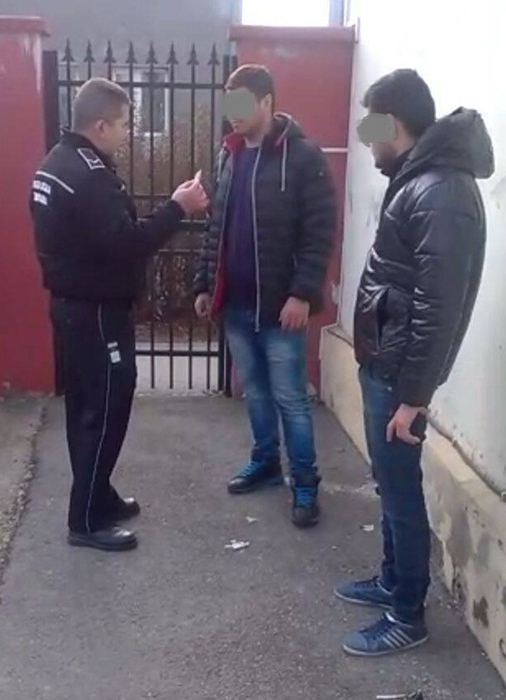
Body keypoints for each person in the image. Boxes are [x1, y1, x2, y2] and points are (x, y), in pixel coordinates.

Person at [334, 69, 494, 656]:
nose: (366, 140)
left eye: (371, 127)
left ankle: (407, 614)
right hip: (388, 365)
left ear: (393, 124)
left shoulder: (441, 192)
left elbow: (438, 307)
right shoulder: (419, 180)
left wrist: (414, 397)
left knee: (401, 493)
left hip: (400, 378)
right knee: (390, 484)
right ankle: (390, 580)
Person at [30, 78, 208, 552]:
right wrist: (178, 207)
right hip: (95, 310)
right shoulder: (88, 175)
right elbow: (128, 242)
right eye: (125, 124)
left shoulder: (55, 162)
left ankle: (99, 494)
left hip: (73, 306)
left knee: (84, 408)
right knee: (106, 409)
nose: (128, 133)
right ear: (101, 125)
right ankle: (86, 519)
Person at [194, 65, 335, 528]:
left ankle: (306, 483)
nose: (232, 114)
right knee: (255, 392)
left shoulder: (303, 156)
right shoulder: (229, 155)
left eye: (241, 104)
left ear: (267, 102)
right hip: (236, 304)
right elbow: (217, 227)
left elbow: (319, 233)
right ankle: (266, 462)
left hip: (281, 308)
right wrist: (203, 283)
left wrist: (302, 294)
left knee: (290, 398)